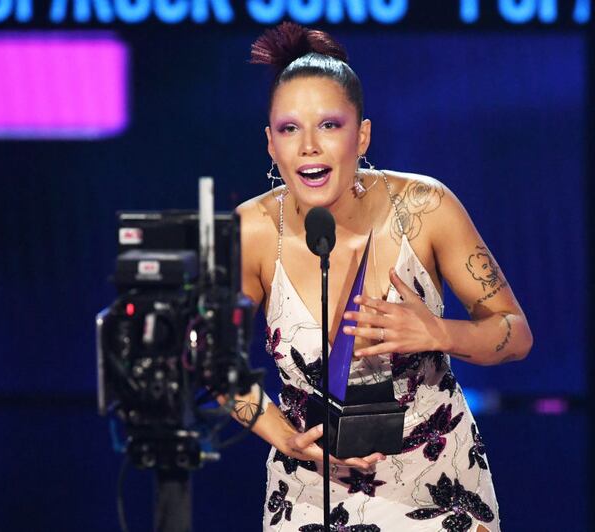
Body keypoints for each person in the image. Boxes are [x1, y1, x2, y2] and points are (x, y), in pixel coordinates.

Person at [232, 22, 533, 532]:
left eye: (329, 125)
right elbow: (211, 360)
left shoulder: (426, 207)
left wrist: (440, 333)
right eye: (289, 129)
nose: (308, 146)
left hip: (440, 483)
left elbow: (515, 334)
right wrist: (283, 437)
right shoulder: (252, 231)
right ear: (269, 144)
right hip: (310, 488)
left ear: (362, 133)